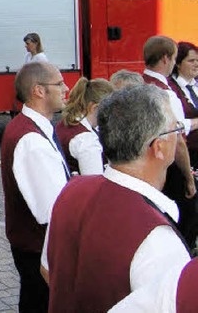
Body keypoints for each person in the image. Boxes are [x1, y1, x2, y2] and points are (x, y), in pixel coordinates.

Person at [41, 85, 191, 312]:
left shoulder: (70, 191)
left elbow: (47, 270)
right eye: (175, 128)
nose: (178, 134)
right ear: (158, 147)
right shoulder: (159, 241)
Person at [0, 61, 70, 313]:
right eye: (59, 83)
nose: (66, 88)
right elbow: (53, 211)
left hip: (33, 246)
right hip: (39, 249)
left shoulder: (29, 128)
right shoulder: (31, 140)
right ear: (39, 91)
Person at [141, 36, 198, 249]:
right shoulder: (165, 92)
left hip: (149, 161)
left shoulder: (141, 83)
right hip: (170, 164)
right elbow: (178, 140)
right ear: (166, 59)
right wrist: (188, 178)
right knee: (185, 217)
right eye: (174, 58)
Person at [55, 77, 113, 175]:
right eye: (110, 109)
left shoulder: (66, 123)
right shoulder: (86, 141)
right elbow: (94, 184)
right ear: (94, 108)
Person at [169, 41, 198, 165]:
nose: (196, 64)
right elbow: (176, 125)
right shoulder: (170, 88)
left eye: (197, 60)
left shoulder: (196, 85)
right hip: (187, 155)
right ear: (178, 63)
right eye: (191, 61)